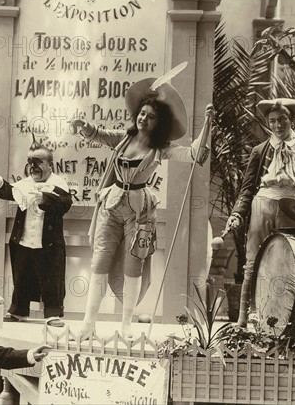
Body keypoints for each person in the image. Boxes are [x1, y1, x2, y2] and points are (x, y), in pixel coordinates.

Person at [71, 73, 215, 339]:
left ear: (159, 123)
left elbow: (193, 154)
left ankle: (127, 326)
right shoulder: (124, 138)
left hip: (140, 212)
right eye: (142, 113)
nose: (143, 119)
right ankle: (88, 324)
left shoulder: (162, 148)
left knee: (133, 266)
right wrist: (83, 125)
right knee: (99, 263)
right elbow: (99, 135)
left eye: (150, 116)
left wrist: (207, 125)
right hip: (110, 206)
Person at [226, 98, 295, 327]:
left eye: (282, 120)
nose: (278, 125)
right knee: (252, 263)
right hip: (263, 206)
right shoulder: (259, 151)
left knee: (293, 261)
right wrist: (237, 213)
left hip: (294, 209)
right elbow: (248, 188)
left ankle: (289, 320)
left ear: (291, 120)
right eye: (272, 121)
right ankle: (243, 319)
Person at [0, 135, 72, 327]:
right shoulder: (24, 184)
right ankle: (19, 311)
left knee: (52, 279)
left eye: (38, 162)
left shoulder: (58, 185)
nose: (33, 166)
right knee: (21, 276)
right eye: (30, 162)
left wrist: (44, 198)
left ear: (50, 165)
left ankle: (52, 314)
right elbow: (10, 192)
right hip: (23, 241)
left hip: (48, 243)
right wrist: (0, 183)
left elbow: (66, 204)